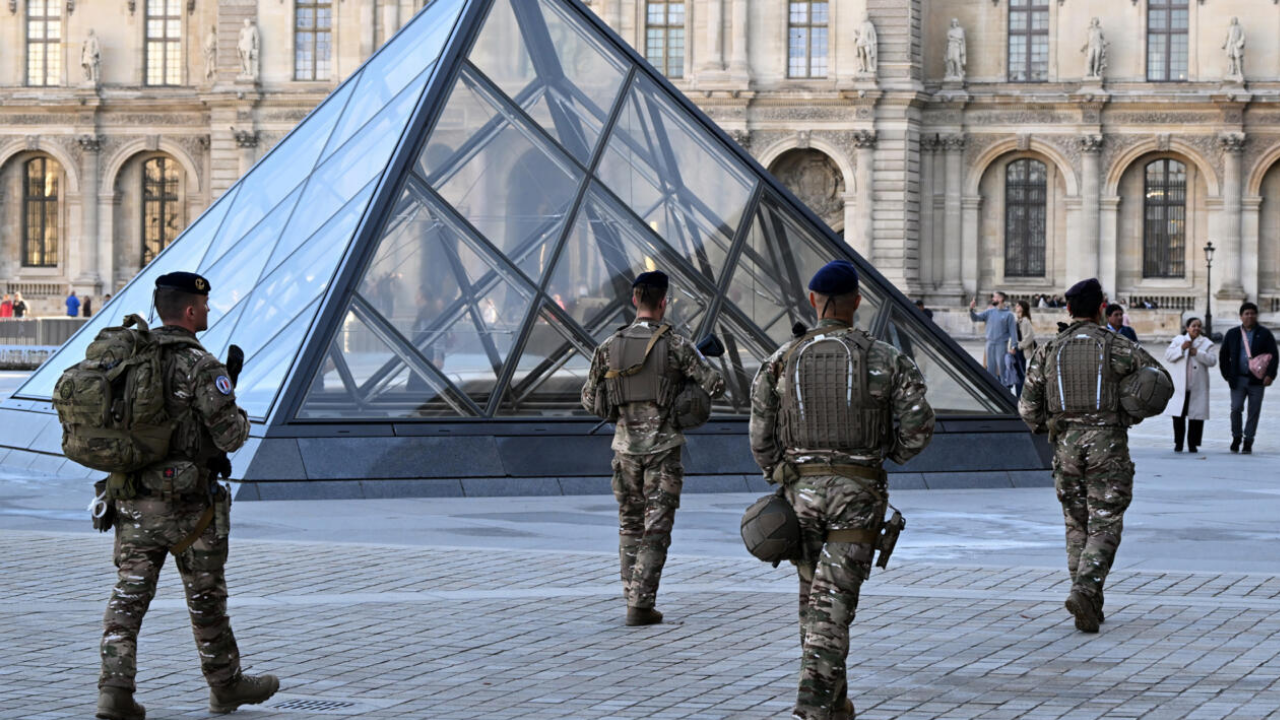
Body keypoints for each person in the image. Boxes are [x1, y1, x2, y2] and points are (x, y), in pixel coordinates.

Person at [749, 260, 935, 720]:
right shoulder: (886, 357)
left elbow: (760, 436)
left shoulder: (781, 360)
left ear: (813, 302)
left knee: (815, 600)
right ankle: (815, 705)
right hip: (858, 495)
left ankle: (835, 703)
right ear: (856, 303)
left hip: (802, 495)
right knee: (833, 604)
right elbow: (919, 427)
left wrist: (782, 473)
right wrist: (885, 453)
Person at [96, 271, 279, 720]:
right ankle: (226, 686)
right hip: (190, 508)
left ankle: (113, 692)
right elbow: (230, 435)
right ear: (192, 310)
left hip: (133, 498)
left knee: (129, 596)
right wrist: (238, 411)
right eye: (207, 305)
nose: (210, 311)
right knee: (205, 597)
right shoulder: (202, 365)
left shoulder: (130, 358)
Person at [1019, 278, 1168, 634]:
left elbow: (1027, 408)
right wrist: (1129, 409)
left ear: (1068, 310)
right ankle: (1085, 590)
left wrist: (1051, 427)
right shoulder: (1119, 346)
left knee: (1076, 524)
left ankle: (1087, 599)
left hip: (1066, 446)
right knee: (1105, 521)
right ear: (1101, 307)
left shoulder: (1049, 350)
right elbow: (1159, 382)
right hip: (1108, 445)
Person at [580, 271, 725, 627]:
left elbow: (587, 399)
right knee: (655, 528)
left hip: (624, 450)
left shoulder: (609, 346)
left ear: (634, 300)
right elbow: (716, 386)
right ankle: (641, 604)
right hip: (663, 449)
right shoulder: (677, 345)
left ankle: (632, 593)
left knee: (629, 525)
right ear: (664, 302)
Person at [1218, 302, 1278, 454]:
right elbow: (1223, 355)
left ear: (1256, 315)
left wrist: (1270, 375)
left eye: (1252, 313)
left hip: (1257, 380)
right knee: (1236, 408)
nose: (1249, 316)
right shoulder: (1232, 333)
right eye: (1246, 313)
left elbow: (1274, 355)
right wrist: (1227, 374)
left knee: (1254, 411)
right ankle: (1236, 436)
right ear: (1241, 316)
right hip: (1237, 379)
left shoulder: (1264, 333)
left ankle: (1248, 440)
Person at [1164, 318, 1217, 454]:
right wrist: (1181, 349)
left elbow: (1212, 361)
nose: (1196, 328)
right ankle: (1179, 443)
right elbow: (1168, 356)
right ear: (1187, 328)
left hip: (1197, 386)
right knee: (1178, 417)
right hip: (1180, 387)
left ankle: (1193, 444)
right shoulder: (1178, 340)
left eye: (1199, 326)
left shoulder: (1206, 343)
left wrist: (1198, 353)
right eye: (1193, 326)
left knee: (1196, 417)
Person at [969, 291, 1017, 382]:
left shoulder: (1009, 315)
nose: (993, 299)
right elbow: (975, 318)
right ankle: (991, 392)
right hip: (989, 344)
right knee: (990, 370)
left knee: (1002, 370)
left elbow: (1013, 332)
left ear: (1000, 299)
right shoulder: (989, 312)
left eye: (994, 297)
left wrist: (1014, 346)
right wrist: (971, 309)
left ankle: (1004, 391)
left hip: (1001, 345)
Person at [1013, 300, 1036, 398]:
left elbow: (1030, 336)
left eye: (1018, 305)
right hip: (1016, 350)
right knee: (1017, 373)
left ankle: (1020, 396)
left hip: (1021, 351)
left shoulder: (1025, 321)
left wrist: (1020, 346)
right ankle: (1019, 395)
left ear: (1022, 308)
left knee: (1020, 374)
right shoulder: (1018, 320)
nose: (1016, 307)